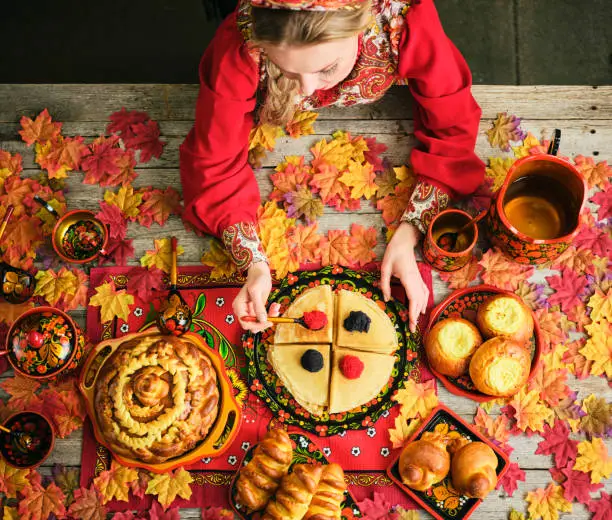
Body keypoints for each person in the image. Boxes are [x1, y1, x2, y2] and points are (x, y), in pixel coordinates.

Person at [180, 0, 485, 334]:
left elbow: (453, 128)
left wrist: (410, 231)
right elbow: (212, 166)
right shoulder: (240, 47)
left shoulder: (403, 21)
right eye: (286, 71)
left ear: (364, 22)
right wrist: (253, 264)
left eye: (326, 68)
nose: (307, 90)